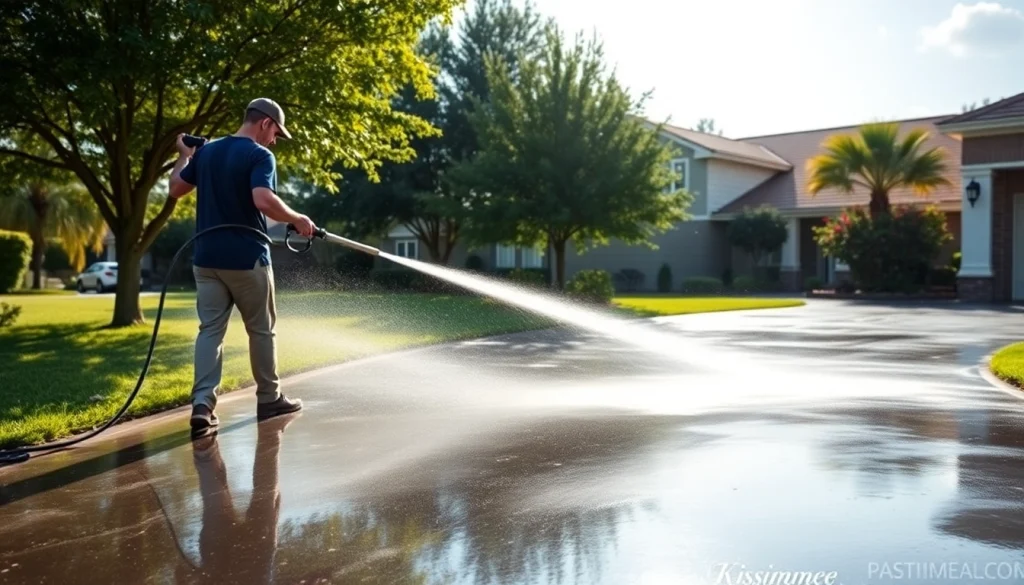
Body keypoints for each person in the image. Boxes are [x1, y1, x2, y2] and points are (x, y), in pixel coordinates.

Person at [168, 97, 315, 433]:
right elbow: (262, 199)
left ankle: (202, 406)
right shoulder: (259, 155)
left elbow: (175, 188)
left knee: (210, 331)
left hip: (206, 259)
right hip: (247, 259)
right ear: (265, 123)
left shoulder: (206, 153)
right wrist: (297, 218)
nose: (274, 141)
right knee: (261, 330)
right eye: (276, 133)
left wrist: (184, 156)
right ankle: (269, 398)